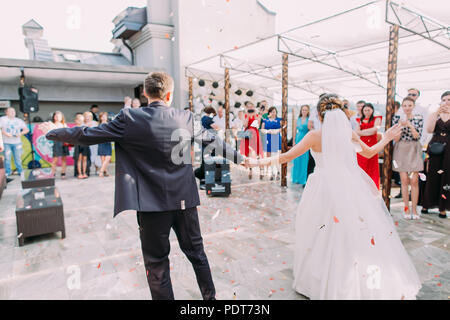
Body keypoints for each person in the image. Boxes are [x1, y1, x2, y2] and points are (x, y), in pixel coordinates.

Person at [40, 71, 243, 300]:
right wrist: (241, 158)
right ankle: (210, 299)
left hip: (151, 204)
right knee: (197, 253)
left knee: (157, 264)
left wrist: (53, 132)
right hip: (185, 200)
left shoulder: (130, 118)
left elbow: (87, 134)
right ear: (169, 94)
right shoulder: (185, 118)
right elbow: (212, 140)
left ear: (145, 93)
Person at [245, 94, 421, 300]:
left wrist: (255, 163)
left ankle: (321, 278)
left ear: (320, 114)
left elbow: (286, 157)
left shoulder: (313, 136)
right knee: (346, 231)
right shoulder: (349, 133)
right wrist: (388, 137)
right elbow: (370, 152)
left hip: (321, 187)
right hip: (348, 186)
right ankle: (348, 277)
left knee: (319, 230)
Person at [392, 97, 424, 220]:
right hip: (401, 149)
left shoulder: (419, 118)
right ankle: (406, 208)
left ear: (413, 106)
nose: (407, 108)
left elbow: (417, 136)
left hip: (414, 148)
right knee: (404, 180)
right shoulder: (397, 118)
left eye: (409, 105)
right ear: (402, 107)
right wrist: (400, 125)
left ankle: (414, 209)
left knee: (414, 181)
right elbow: (395, 139)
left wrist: (410, 125)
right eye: (404, 105)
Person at [421, 91, 450, 219]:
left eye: (449, 100)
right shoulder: (435, 114)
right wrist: (437, 113)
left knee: (446, 176)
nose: (446, 102)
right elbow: (429, 130)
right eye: (444, 100)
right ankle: (427, 204)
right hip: (435, 148)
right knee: (432, 174)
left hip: (449, 149)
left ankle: (443, 207)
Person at [356, 103, 382, 189]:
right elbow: (357, 132)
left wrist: (363, 132)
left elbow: (375, 130)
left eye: (368, 110)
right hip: (362, 144)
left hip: (372, 144)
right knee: (361, 165)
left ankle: (373, 187)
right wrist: (367, 132)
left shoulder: (377, 118)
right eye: (365, 110)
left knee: (372, 166)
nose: (367, 112)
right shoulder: (359, 120)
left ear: (372, 110)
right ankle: (361, 187)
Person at [194, 106, 220, 189]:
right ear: (211, 113)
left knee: (205, 160)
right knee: (209, 161)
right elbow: (217, 128)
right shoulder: (208, 119)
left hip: (204, 143)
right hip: (210, 143)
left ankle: (201, 177)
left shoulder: (202, 119)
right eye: (214, 115)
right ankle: (205, 180)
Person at [0, 107, 29, 179]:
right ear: (6, 112)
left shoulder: (19, 120)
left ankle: (20, 171)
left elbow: (26, 129)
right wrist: (5, 133)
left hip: (17, 142)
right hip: (6, 142)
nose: (13, 112)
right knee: (7, 158)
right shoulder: (3, 119)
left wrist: (20, 133)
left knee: (18, 158)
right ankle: (7, 172)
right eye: (11, 111)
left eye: (14, 111)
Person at [240, 101, 264, 179]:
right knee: (248, 152)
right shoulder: (245, 115)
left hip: (255, 134)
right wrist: (247, 116)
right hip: (247, 134)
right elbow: (245, 125)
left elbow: (258, 124)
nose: (250, 108)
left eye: (251, 107)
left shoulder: (257, 115)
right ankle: (250, 170)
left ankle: (261, 170)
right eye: (248, 107)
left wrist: (254, 114)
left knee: (258, 152)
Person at [261, 107, 282, 180]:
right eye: (272, 112)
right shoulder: (265, 120)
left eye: (274, 111)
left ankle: (278, 172)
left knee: (275, 156)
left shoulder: (279, 120)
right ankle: (272, 173)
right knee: (270, 156)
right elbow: (262, 129)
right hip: (268, 138)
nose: (273, 113)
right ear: (269, 112)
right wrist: (268, 131)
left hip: (276, 138)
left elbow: (283, 127)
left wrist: (277, 131)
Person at [292, 105, 310, 185]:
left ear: (308, 111)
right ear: (301, 111)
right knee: (296, 159)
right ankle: (295, 178)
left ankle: (302, 179)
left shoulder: (309, 120)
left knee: (304, 160)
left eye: (306, 110)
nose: (304, 111)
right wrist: (293, 141)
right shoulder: (297, 120)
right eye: (303, 110)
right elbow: (294, 131)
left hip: (306, 139)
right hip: (298, 139)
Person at [50, 111, 69, 179]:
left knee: (64, 159)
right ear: (54, 117)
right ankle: (53, 173)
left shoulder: (64, 124)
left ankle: (63, 173)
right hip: (56, 143)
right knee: (55, 159)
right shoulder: (52, 124)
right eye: (56, 116)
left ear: (62, 117)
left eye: (59, 116)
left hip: (64, 142)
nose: (57, 117)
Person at [73, 114, 90, 179]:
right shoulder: (74, 128)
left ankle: (84, 172)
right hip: (77, 144)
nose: (80, 121)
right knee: (79, 159)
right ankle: (79, 173)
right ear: (76, 120)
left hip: (84, 144)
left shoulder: (85, 127)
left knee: (85, 159)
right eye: (79, 120)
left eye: (81, 120)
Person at [97, 112, 113, 177]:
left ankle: (101, 171)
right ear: (100, 118)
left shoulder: (109, 124)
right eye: (102, 116)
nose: (103, 117)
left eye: (105, 116)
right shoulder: (99, 125)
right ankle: (105, 171)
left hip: (108, 142)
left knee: (108, 157)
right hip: (101, 142)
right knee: (103, 159)